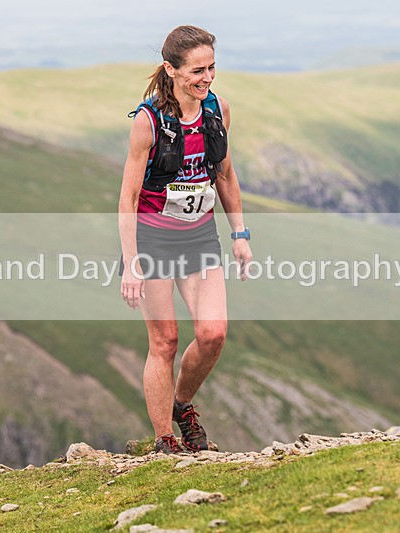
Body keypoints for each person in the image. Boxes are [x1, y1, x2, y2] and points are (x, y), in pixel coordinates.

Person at [118, 25, 252, 454]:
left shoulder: (218, 111)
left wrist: (240, 234)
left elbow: (226, 175)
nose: (207, 77)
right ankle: (164, 441)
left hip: (200, 238)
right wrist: (131, 261)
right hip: (154, 241)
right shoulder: (149, 120)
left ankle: (182, 403)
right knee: (165, 341)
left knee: (213, 334)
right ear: (171, 70)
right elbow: (129, 197)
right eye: (197, 70)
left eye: (212, 67)